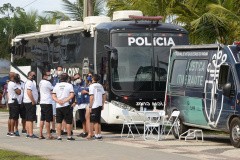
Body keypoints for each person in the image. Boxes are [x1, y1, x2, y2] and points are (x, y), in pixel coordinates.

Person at [52, 73, 75, 141]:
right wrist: (64, 101)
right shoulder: (69, 85)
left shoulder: (56, 85)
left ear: (60, 78)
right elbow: (72, 95)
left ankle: (59, 136)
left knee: (59, 122)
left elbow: (53, 96)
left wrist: (58, 101)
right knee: (68, 121)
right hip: (66, 105)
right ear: (67, 79)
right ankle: (69, 136)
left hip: (58, 105)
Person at [39, 70, 56, 140]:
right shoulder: (47, 82)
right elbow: (53, 90)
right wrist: (52, 91)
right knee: (48, 119)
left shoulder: (40, 82)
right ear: (44, 76)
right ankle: (49, 135)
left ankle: (40, 134)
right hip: (47, 102)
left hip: (42, 101)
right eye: (48, 75)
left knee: (42, 118)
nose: (49, 77)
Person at [89, 74, 106, 140]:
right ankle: (99, 134)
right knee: (98, 121)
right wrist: (103, 104)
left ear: (93, 78)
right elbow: (104, 95)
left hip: (94, 105)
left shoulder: (92, 86)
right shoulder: (100, 85)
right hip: (99, 105)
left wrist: (90, 106)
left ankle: (96, 135)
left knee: (95, 121)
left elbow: (91, 97)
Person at [23, 71, 38, 138]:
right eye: (33, 75)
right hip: (30, 102)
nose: (34, 76)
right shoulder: (29, 83)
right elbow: (29, 92)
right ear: (29, 76)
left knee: (28, 118)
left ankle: (28, 133)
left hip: (27, 102)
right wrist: (33, 101)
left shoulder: (29, 82)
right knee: (31, 119)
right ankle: (31, 134)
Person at [7, 72, 21, 137]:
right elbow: (18, 92)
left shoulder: (9, 83)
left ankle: (9, 131)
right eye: (15, 75)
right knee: (13, 117)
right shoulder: (13, 84)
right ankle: (12, 132)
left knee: (10, 117)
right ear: (13, 76)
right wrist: (19, 89)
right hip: (14, 101)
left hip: (10, 101)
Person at [51, 66, 63, 133]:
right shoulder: (54, 79)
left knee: (61, 113)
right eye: (58, 70)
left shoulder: (64, 78)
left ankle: (61, 128)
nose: (60, 71)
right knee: (53, 114)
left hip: (61, 98)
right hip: (54, 98)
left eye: (61, 70)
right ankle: (53, 128)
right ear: (56, 71)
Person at [83, 73, 94, 139]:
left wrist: (86, 92)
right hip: (86, 101)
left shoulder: (92, 85)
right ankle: (89, 132)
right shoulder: (86, 84)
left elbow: (93, 93)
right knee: (87, 117)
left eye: (90, 76)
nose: (89, 77)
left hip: (90, 102)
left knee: (88, 117)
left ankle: (90, 133)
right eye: (88, 76)